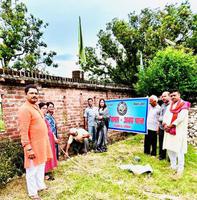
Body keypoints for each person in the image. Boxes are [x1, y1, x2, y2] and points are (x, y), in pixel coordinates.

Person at [18, 85, 52, 200]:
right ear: (26, 94)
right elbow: (23, 131)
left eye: (36, 93)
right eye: (31, 93)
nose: (34, 95)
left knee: (41, 165)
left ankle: (40, 185)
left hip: (41, 144)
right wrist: (28, 148)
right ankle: (33, 193)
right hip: (32, 145)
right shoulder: (24, 109)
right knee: (32, 169)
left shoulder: (36, 107)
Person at [162, 90, 190, 178]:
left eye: (175, 95)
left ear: (179, 95)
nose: (173, 97)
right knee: (170, 148)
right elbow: (166, 116)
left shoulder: (184, 105)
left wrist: (171, 125)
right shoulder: (170, 105)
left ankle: (180, 168)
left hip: (178, 131)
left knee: (179, 150)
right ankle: (173, 165)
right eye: (172, 95)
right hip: (168, 130)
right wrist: (165, 124)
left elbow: (181, 118)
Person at [38, 102, 59, 181]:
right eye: (43, 108)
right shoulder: (41, 118)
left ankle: (47, 171)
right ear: (39, 109)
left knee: (49, 155)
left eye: (46, 108)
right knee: (45, 155)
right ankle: (44, 174)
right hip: (44, 140)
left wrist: (54, 137)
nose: (45, 110)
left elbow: (50, 129)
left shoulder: (44, 117)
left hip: (50, 138)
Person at [158, 91, 171, 160]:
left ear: (169, 96)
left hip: (168, 127)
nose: (163, 98)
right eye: (162, 96)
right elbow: (160, 115)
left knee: (169, 142)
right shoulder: (162, 105)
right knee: (161, 142)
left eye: (165, 96)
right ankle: (161, 156)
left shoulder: (172, 105)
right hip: (161, 127)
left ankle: (170, 157)